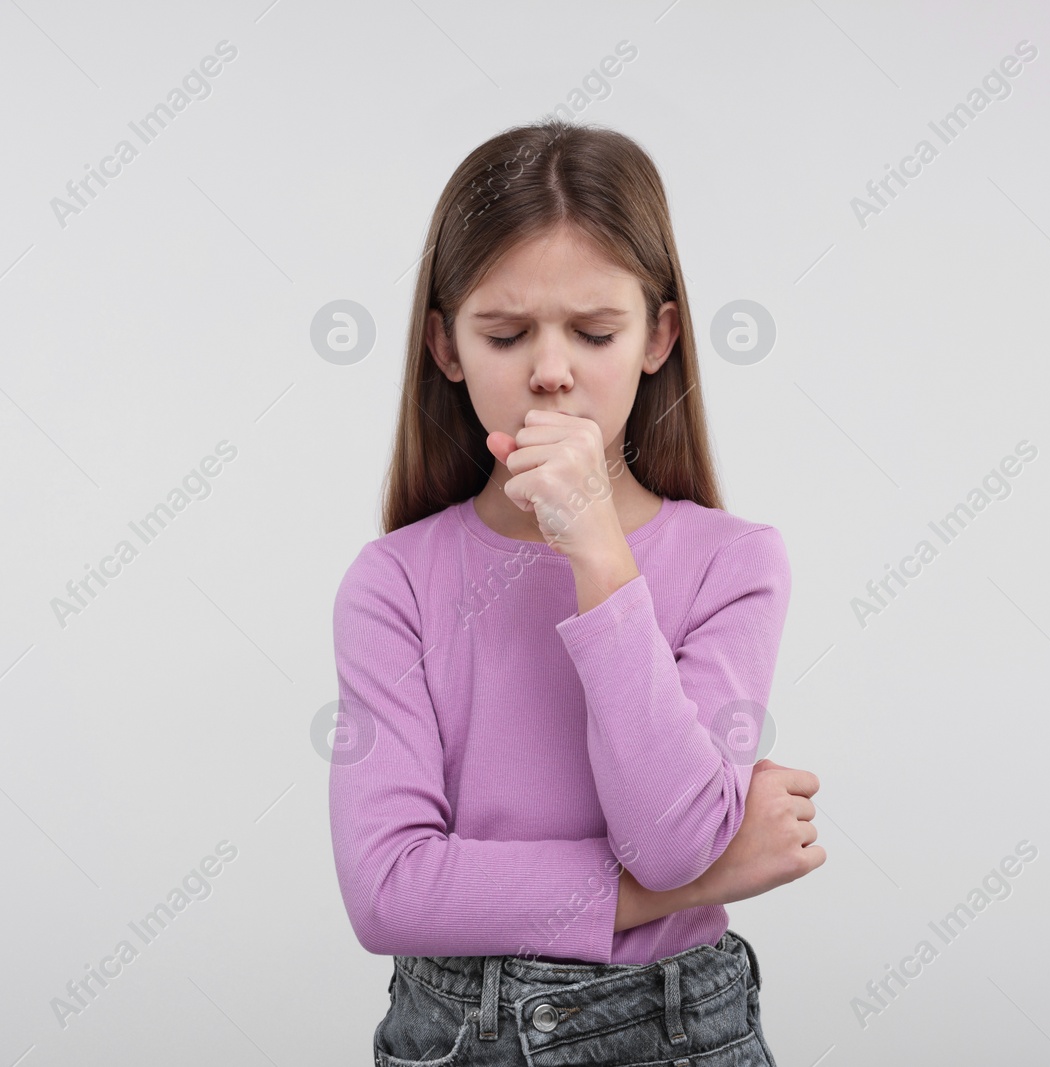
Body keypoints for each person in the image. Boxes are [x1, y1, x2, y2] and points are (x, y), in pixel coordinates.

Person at [328, 117, 825, 1066]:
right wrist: (675, 894)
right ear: (445, 347)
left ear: (658, 337)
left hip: (682, 1031)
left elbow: (671, 836)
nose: (551, 372)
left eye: (594, 332)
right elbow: (389, 890)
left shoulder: (736, 563)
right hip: (459, 1037)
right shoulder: (393, 584)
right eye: (505, 333)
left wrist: (599, 553)